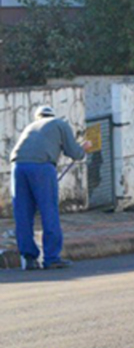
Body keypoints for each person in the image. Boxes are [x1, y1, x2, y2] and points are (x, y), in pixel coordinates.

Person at [9, 105, 92, 270]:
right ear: (52, 115)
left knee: (23, 214)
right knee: (49, 211)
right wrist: (84, 149)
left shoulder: (30, 127)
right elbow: (75, 153)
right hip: (42, 168)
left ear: (38, 117)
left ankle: (29, 257)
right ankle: (51, 257)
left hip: (18, 167)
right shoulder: (59, 124)